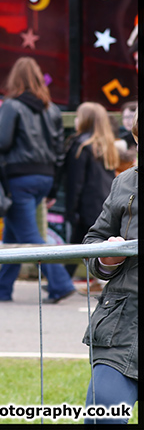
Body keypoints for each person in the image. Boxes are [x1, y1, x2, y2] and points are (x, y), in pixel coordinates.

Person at [0, 57, 76, 303]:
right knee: (15, 234)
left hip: (19, 178)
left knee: (30, 237)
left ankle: (61, 283)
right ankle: (1, 289)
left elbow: (2, 143)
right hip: (44, 177)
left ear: (15, 79)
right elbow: (58, 151)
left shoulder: (12, 106)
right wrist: (53, 188)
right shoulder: (52, 109)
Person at [82, 107, 138, 425]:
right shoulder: (124, 183)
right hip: (121, 328)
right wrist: (105, 257)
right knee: (102, 419)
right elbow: (92, 242)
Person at [63, 102, 119, 278]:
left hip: (86, 207)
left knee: (78, 245)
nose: (76, 120)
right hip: (104, 203)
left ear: (86, 120)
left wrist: (70, 210)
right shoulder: (106, 146)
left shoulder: (80, 146)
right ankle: (62, 282)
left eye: (78, 116)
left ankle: (61, 283)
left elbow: (75, 182)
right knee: (83, 244)